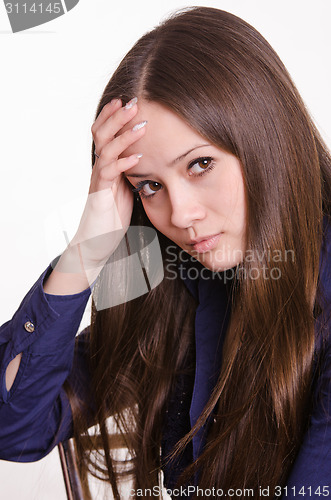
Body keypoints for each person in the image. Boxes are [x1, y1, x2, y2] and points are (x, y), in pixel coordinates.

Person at [0, 6, 330, 499]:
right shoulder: (172, 279)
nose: (180, 214)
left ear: (265, 139)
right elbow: (15, 427)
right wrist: (89, 248)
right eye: (150, 185)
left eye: (200, 164)